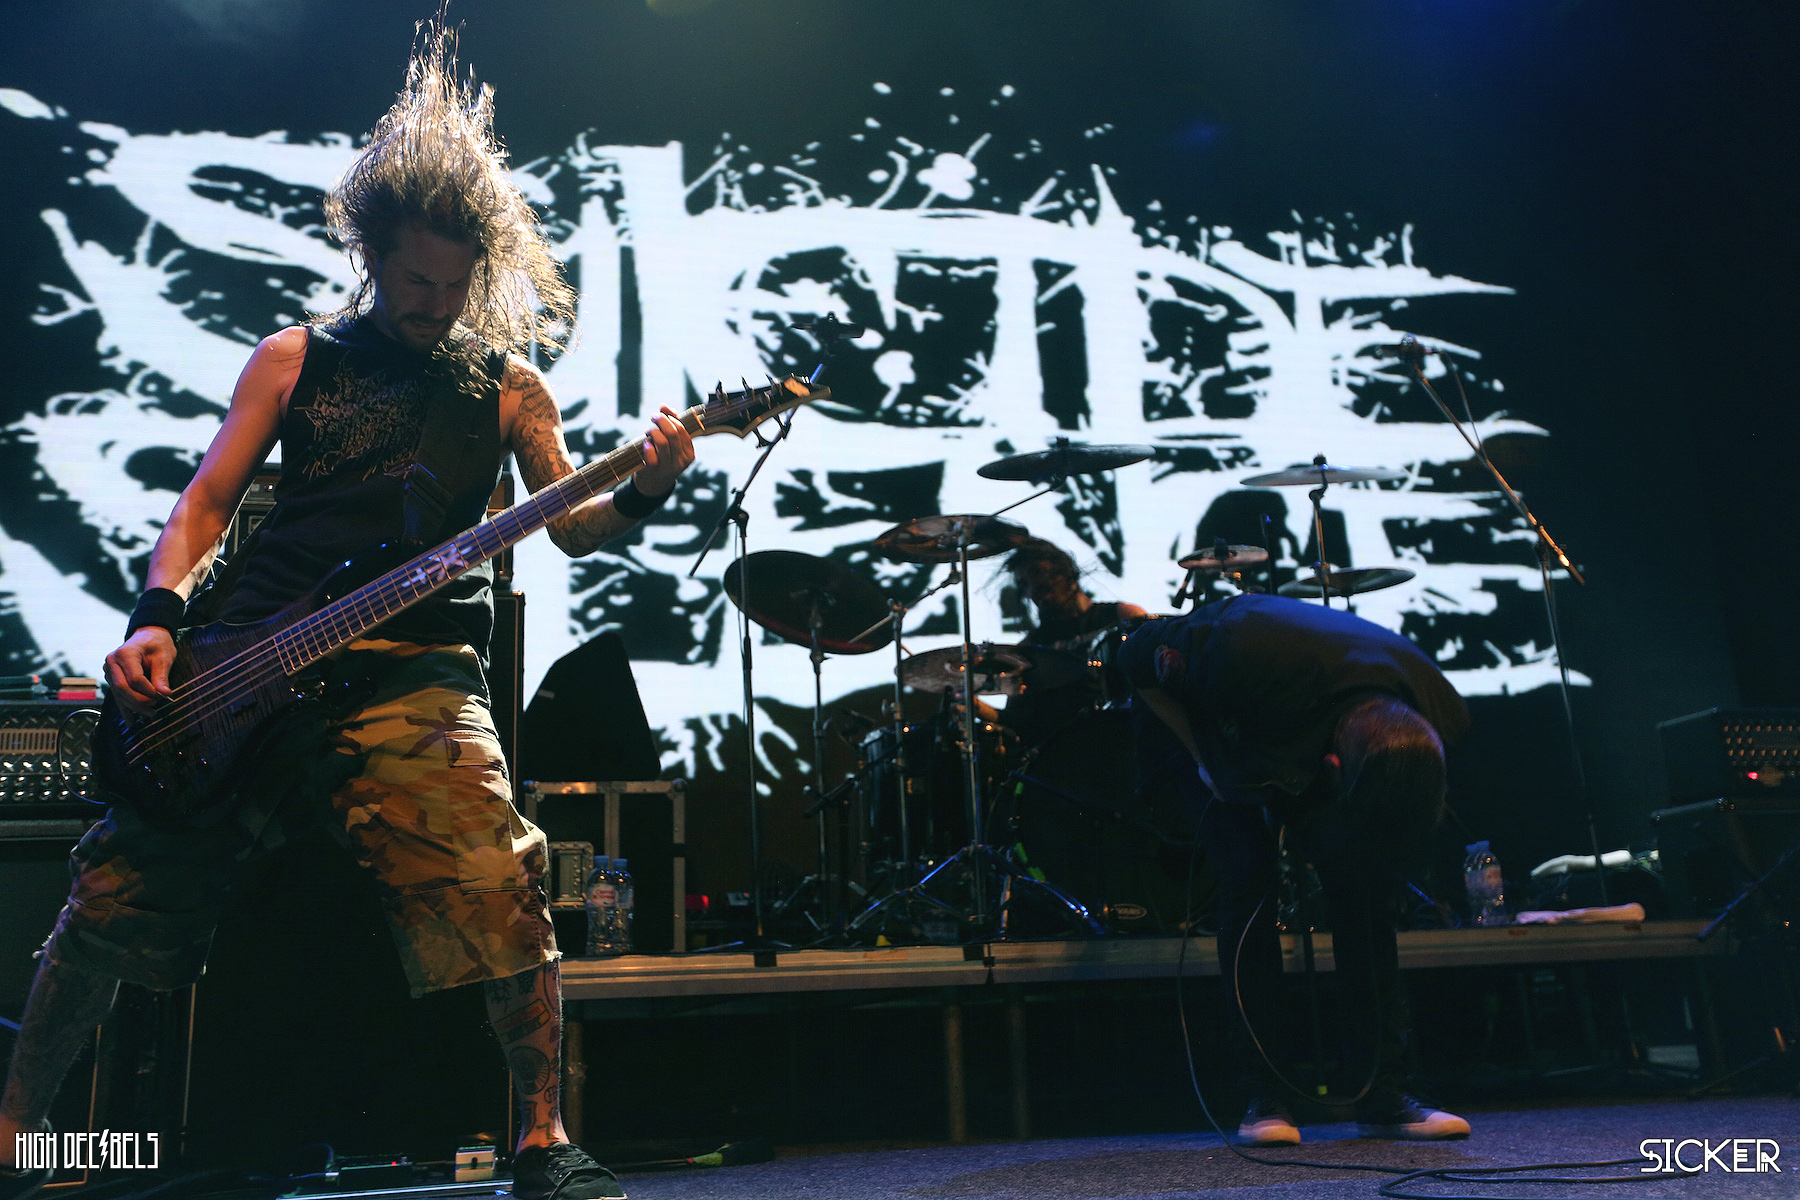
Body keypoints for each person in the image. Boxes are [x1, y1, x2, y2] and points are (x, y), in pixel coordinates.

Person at [0, 24, 691, 1200]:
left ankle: (541, 1139)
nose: (435, 304)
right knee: (110, 898)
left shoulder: (509, 389)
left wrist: (650, 489)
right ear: (373, 255)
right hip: (244, 663)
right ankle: (19, 1134)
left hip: (414, 671)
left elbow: (569, 525)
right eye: (416, 282)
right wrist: (156, 617)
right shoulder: (295, 358)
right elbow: (207, 502)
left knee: (498, 876)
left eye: (455, 285)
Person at [1121, 594, 1473, 1145]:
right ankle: (1265, 1094)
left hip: (1306, 724)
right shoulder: (1235, 654)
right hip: (1210, 723)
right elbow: (1134, 658)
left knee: (1363, 889)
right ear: (1332, 764)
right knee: (1248, 877)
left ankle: (1384, 1093)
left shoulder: (1441, 711)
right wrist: (1205, 760)